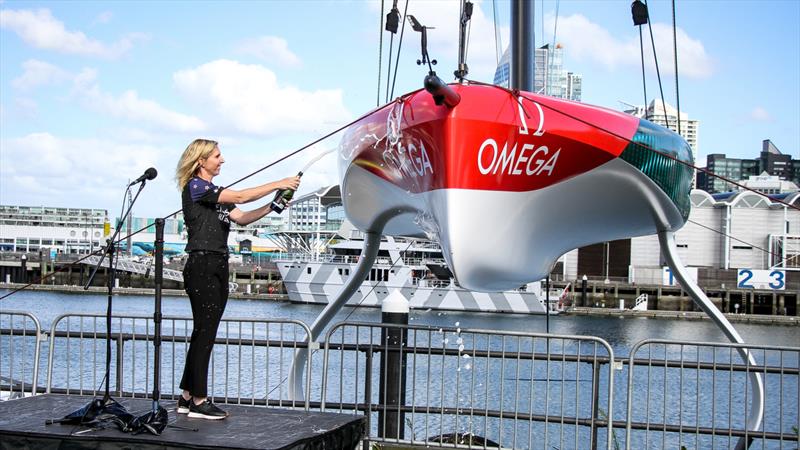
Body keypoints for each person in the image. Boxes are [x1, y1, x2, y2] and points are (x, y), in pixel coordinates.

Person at [174, 138, 300, 420]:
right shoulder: (197, 187)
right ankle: (199, 400)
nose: (222, 160)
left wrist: (273, 205)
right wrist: (279, 182)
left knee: (203, 331)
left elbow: (242, 217)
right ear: (201, 161)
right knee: (205, 332)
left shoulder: (214, 195)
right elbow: (241, 197)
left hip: (216, 262)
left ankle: (186, 396)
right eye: (217, 156)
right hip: (202, 263)